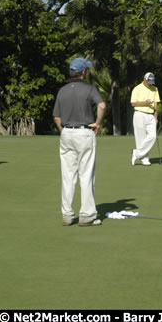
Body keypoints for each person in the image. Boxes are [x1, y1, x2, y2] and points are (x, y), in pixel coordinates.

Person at [53, 57, 106, 227]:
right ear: (83, 72)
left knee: (68, 176)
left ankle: (67, 215)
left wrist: (65, 132)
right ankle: (87, 215)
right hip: (84, 133)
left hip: (66, 133)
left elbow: (56, 117)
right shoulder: (89, 89)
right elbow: (102, 106)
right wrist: (97, 123)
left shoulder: (62, 91)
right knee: (86, 175)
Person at [130, 72, 161, 166]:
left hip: (151, 115)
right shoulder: (137, 88)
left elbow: (156, 103)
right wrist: (145, 102)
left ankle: (137, 153)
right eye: (149, 82)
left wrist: (156, 117)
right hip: (139, 114)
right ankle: (144, 158)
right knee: (140, 138)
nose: (150, 84)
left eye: (151, 82)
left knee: (153, 136)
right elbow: (133, 103)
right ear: (144, 79)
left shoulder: (155, 89)